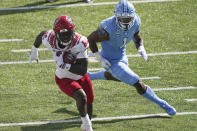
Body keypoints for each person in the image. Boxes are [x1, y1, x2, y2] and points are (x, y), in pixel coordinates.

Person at [87, 0, 176, 115]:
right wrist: (100, 57)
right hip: (110, 59)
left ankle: (89, 76)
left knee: (118, 77)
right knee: (137, 82)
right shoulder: (108, 27)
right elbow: (90, 39)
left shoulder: (136, 21)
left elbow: (137, 36)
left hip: (121, 54)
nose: (126, 21)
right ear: (117, 17)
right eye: (123, 19)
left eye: (128, 18)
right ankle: (163, 104)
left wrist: (140, 47)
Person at [29, 15, 94, 131]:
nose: (66, 36)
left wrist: (65, 65)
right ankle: (88, 127)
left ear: (73, 31)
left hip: (81, 76)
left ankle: (86, 125)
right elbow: (41, 35)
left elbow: (83, 69)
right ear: (56, 33)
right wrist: (34, 49)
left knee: (89, 104)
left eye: (68, 33)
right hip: (63, 77)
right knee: (81, 97)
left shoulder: (80, 42)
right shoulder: (50, 39)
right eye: (62, 34)